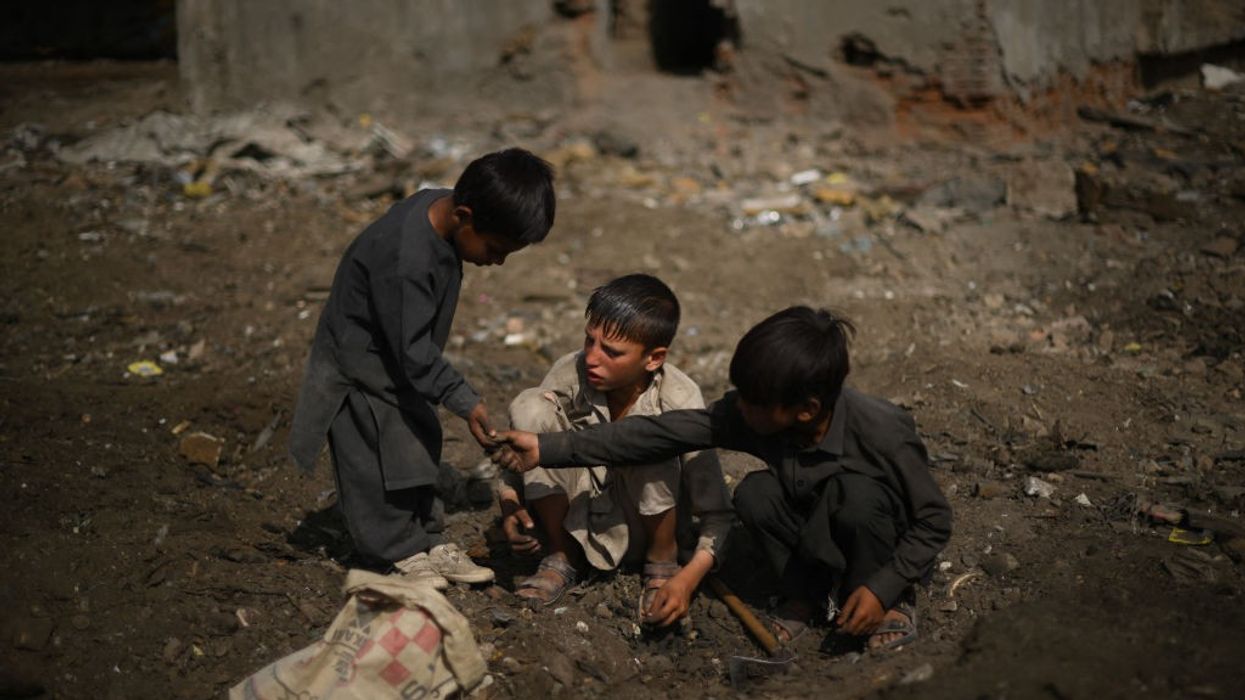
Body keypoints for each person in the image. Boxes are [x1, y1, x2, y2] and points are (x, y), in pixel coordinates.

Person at [492, 306, 951, 650]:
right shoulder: (755, 412)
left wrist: (883, 585)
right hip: (814, 525)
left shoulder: (882, 432)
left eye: (752, 402)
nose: (740, 408)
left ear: (806, 410)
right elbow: (656, 435)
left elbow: (932, 521)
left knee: (857, 497)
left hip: (874, 536)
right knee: (755, 493)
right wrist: (547, 449)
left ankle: (892, 604)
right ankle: (804, 595)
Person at [289, 148, 556, 588]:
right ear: (464, 215)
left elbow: (413, 350)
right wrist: (465, 400)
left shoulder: (442, 208)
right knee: (372, 456)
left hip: (403, 356)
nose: (497, 261)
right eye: (495, 249)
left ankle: (424, 537)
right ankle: (392, 552)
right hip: (361, 363)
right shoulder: (406, 260)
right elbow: (412, 352)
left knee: (417, 438)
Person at [496, 274, 731, 627]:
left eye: (611, 352)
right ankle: (561, 557)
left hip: (644, 528)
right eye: (589, 340)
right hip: (579, 521)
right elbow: (524, 453)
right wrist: (510, 504)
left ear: (653, 359)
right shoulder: (570, 372)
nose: (592, 357)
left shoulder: (680, 400)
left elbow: (718, 513)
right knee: (531, 404)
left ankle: (661, 560)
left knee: (649, 438)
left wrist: (689, 576)